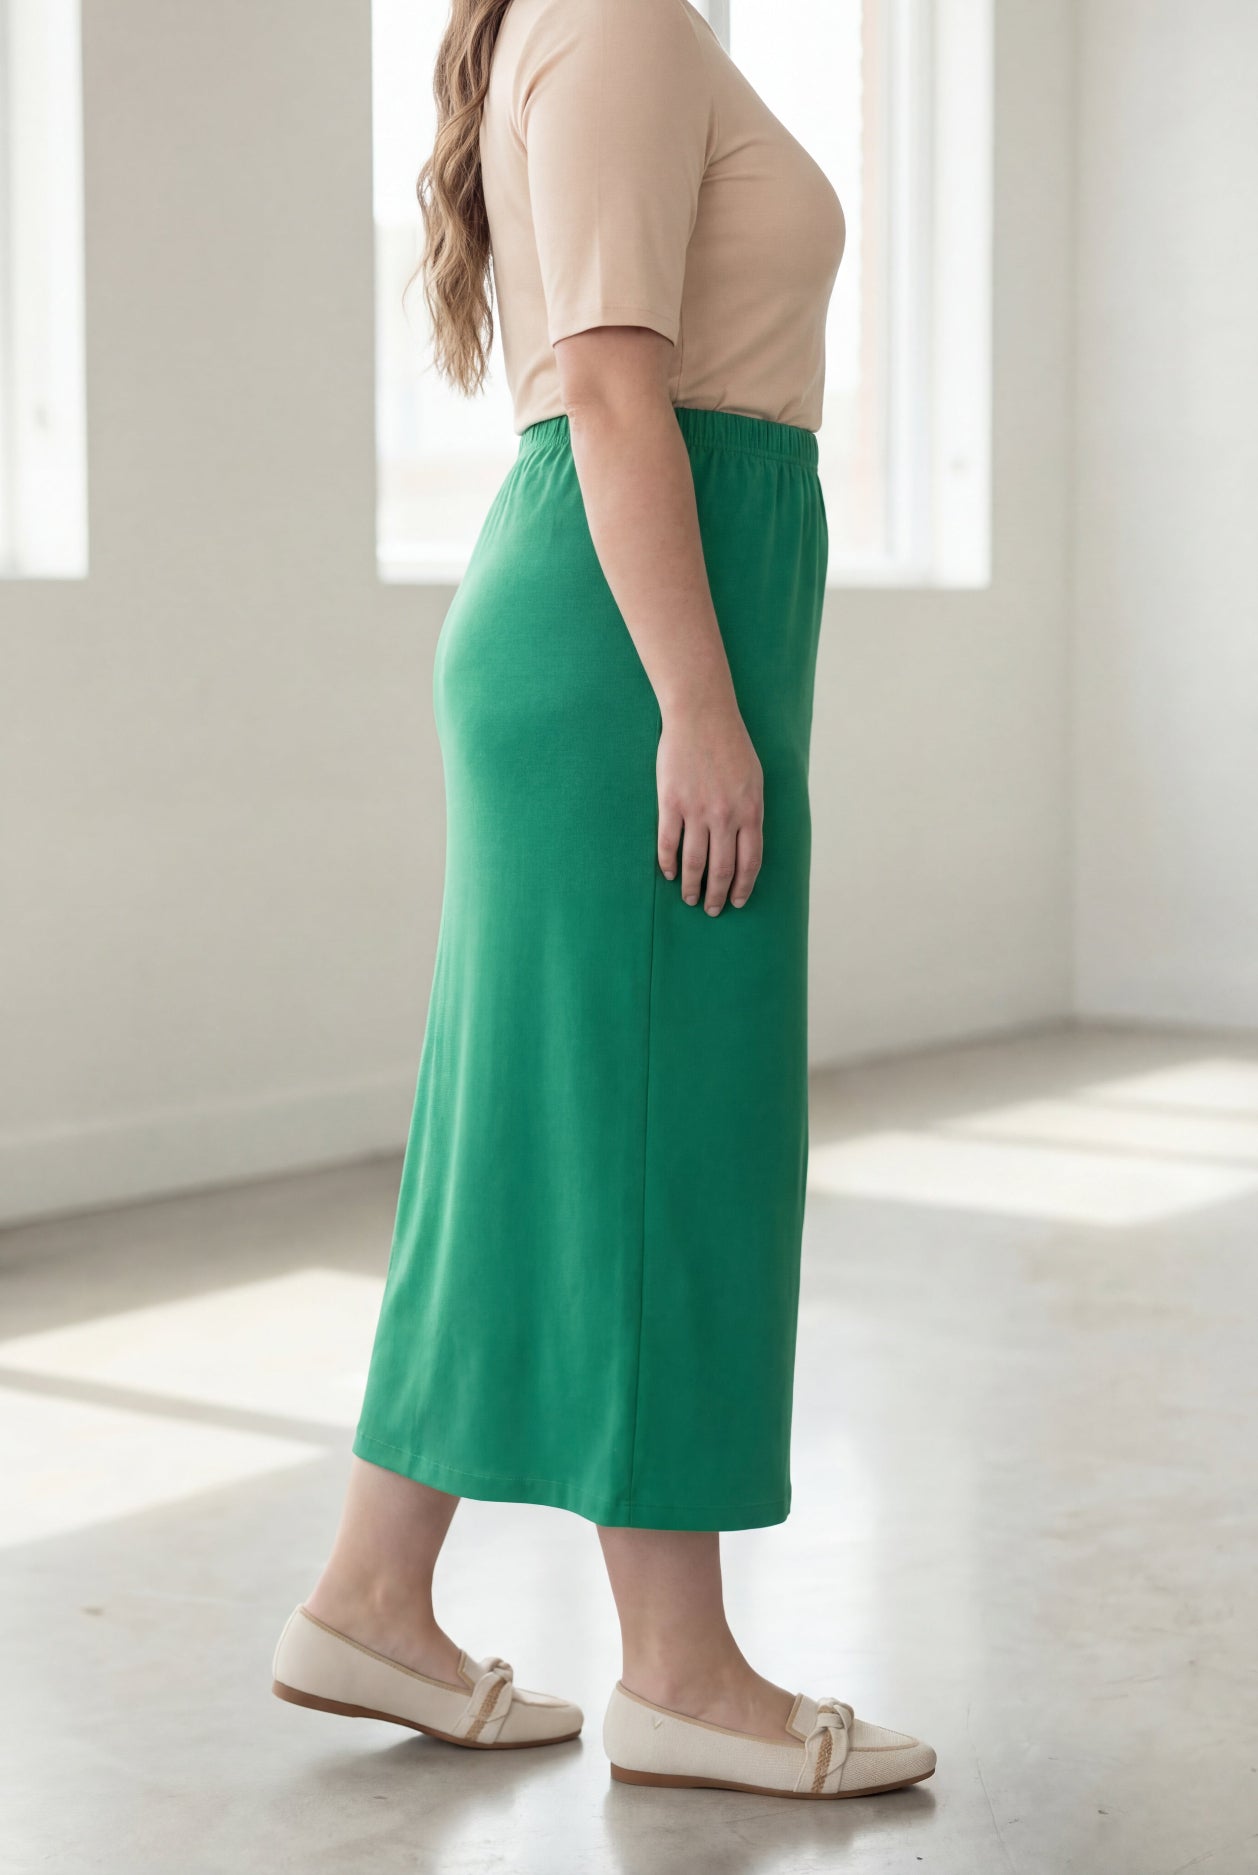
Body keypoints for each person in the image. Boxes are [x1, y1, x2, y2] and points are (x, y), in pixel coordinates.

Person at [271, 0, 936, 1800]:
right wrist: (699, 712)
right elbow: (616, 378)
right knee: (674, 1133)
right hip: (636, 642)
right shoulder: (624, 16)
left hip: (635, 613)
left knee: (528, 1129)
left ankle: (372, 1594)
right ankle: (681, 1674)